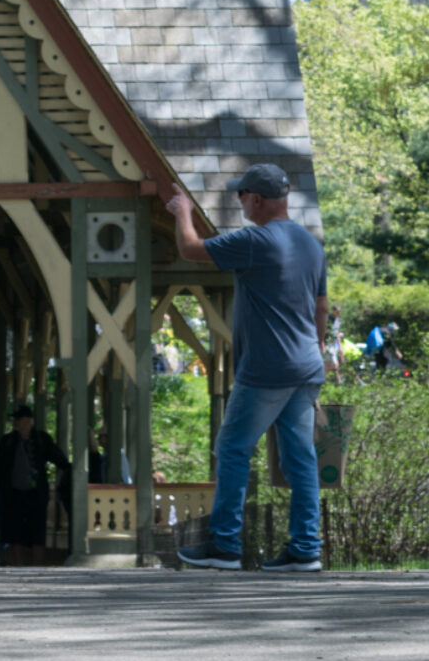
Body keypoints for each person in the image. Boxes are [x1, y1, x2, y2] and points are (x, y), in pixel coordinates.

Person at [168, 164, 337, 573]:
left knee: (232, 448)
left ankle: (225, 545)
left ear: (256, 199)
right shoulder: (310, 244)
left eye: (240, 195)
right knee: (300, 459)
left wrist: (182, 211)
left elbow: (190, 249)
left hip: (267, 367)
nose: (239, 202)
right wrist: (315, 348)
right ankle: (305, 549)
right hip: (305, 366)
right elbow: (320, 306)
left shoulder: (256, 240)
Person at [0, 402, 69, 565]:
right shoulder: (7, 441)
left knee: (38, 530)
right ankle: (18, 565)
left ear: (30, 421)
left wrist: (71, 470)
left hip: (36, 494)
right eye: (18, 420)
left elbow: (59, 458)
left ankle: (37, 566)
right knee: (14, 531)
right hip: (13, 494)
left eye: (23, 420)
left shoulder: (41, 439)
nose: (20, 423)